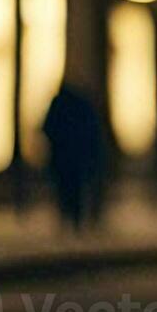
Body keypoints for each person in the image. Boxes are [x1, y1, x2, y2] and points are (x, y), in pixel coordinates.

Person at [42, 84, 104, 231]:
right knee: (75, 189)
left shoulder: (60, 105)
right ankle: (75, 220)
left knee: (65, 189)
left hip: (63, 157)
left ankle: (68, 218)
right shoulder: (82, 106)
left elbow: (47, 128)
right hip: (74, 158)